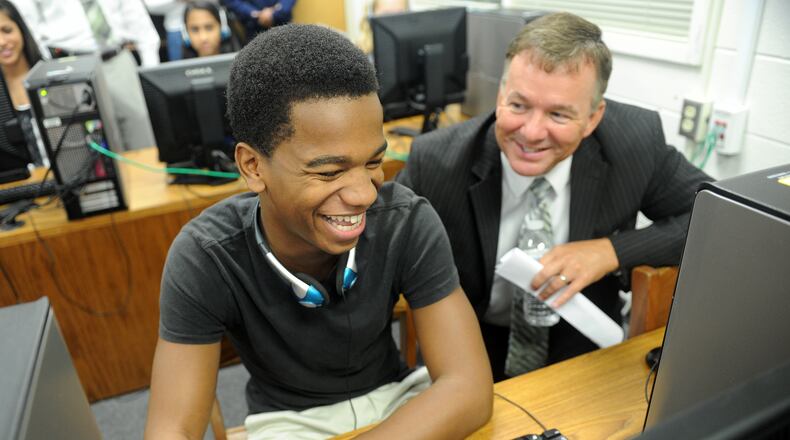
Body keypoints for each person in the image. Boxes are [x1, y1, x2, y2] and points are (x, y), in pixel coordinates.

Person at [145, 24, 492, 439]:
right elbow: (171, 429)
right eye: (329, 172)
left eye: (372, 162)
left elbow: (469, 389)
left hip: (403, 404)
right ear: (253, 167)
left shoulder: (407, 220)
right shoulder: (206, 256)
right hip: (286, 425)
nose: (364, 194)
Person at [397, 12, 713, 382]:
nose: (531, 133)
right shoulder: (437, 161)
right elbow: (380, 251)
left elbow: (714, 217)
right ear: (500, 95)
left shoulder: (634, 142)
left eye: (559, 115)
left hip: (584, 351)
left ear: (593, 118)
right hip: (472, 349)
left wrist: (609, 252)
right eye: (518, 106)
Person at [10, 0, 160, 67]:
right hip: (69, 63)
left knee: (136, 127)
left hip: (119, 59)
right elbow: (29, 28)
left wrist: (151, 66)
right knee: (81, 130)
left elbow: (135, 14)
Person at [0, 0, 47, 166]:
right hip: (23, 187)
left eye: (7, 30)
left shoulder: (52, 76)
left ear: (20, 28)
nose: (2, 42)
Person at [220, 0, 294, 44]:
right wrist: (256, 14)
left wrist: (275, 13)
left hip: (283, 24)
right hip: (253, 28)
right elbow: (233, 2)